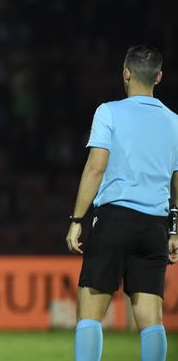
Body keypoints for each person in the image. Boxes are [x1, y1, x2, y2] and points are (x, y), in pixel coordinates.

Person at [65, 44, 178, 361]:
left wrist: (77, 220)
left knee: (90, 314)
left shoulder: (109, 112)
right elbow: (177, 181)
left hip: (115, 219)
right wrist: (174, 229)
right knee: (151, 319)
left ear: (126, 73)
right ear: (158, 76)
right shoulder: (175, 122)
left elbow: (96, 167)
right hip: (155, 225)